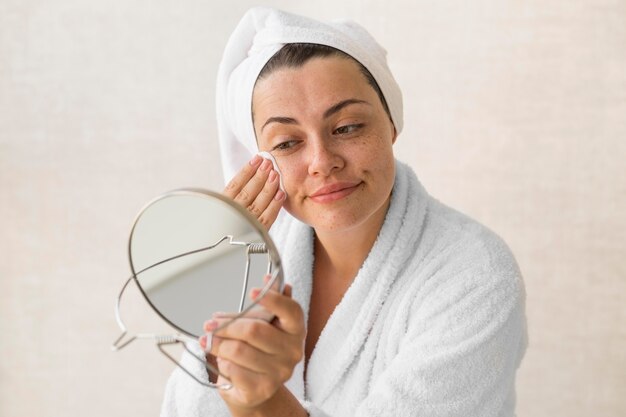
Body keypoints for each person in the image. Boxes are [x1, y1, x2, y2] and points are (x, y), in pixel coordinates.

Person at [161, 6, 527, 417]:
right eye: (286, 143)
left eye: (348, 127)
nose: (321, 161)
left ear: (391, 124)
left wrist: (262, 400)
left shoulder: (475, 277)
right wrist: (218, 287)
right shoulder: (247, 262)